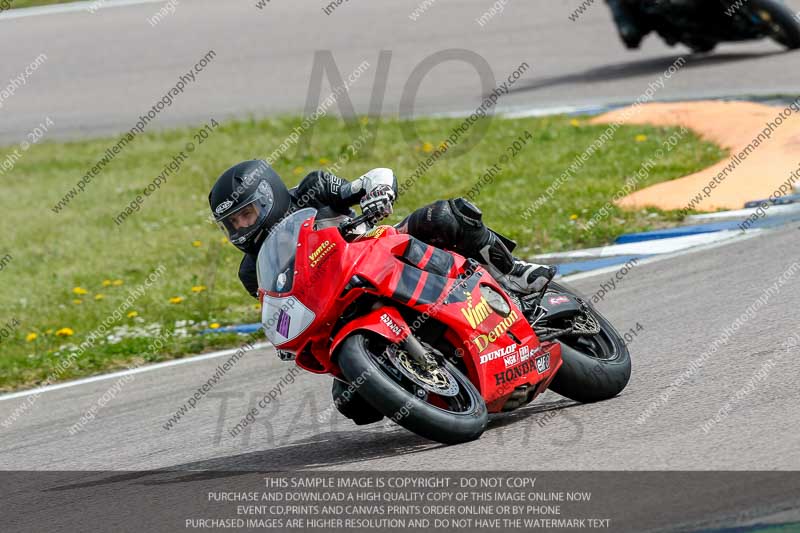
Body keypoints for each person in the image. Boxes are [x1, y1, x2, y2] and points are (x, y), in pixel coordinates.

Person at [208, 159, 556, 425]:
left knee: (443, 216)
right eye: (232, 223)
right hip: (341, 312)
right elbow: (281, 307)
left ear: (269, 195)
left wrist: (378, 193)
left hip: (379, 252)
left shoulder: (312, 189)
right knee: (353, 404)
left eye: (247, 214)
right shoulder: (251, 270)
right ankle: (432, 380)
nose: (241, 228)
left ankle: (514, 272)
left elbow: (371, 179)